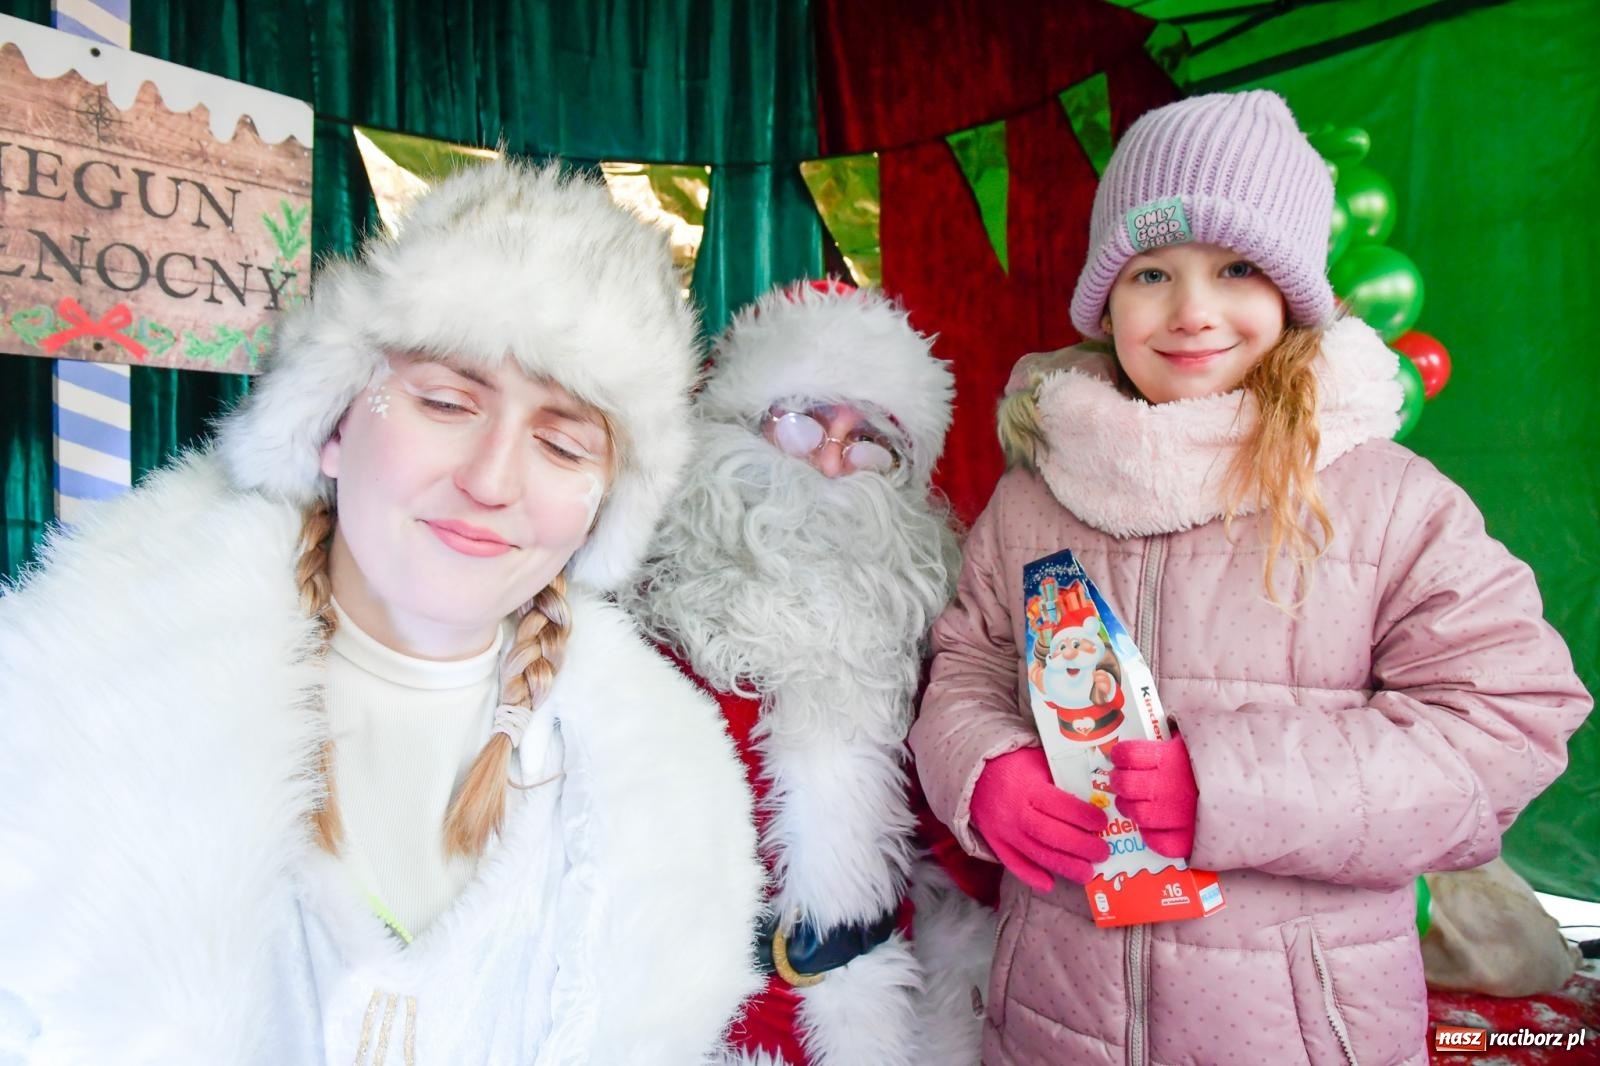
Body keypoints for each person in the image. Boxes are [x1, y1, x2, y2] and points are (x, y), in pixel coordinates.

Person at [0, 160, 765, 1064]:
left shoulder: (668, 796)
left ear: (602, 506)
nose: (490, 479)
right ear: (331, 423)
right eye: (446, 402)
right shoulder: (66, 710)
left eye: (561, 443)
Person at [909, 90, 1592, 1065]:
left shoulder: (1384, 498)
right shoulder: (1035, 497)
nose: (1192, 310)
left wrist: (1229, 787)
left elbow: (1512, 720)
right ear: (1106, 298)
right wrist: (981, 768)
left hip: (1301, 1029)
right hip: (1056, 1016)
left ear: (1294, 294)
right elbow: (968, 661)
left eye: (1236, 267)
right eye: (1151, 271)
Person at [624, 281, 996, 1066]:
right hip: (684, 1022)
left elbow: (965, 838)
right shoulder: (635, 615)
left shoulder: (919, 630)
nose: (832, 460)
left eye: (870, 443)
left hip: (885, 1019)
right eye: (802, 421)